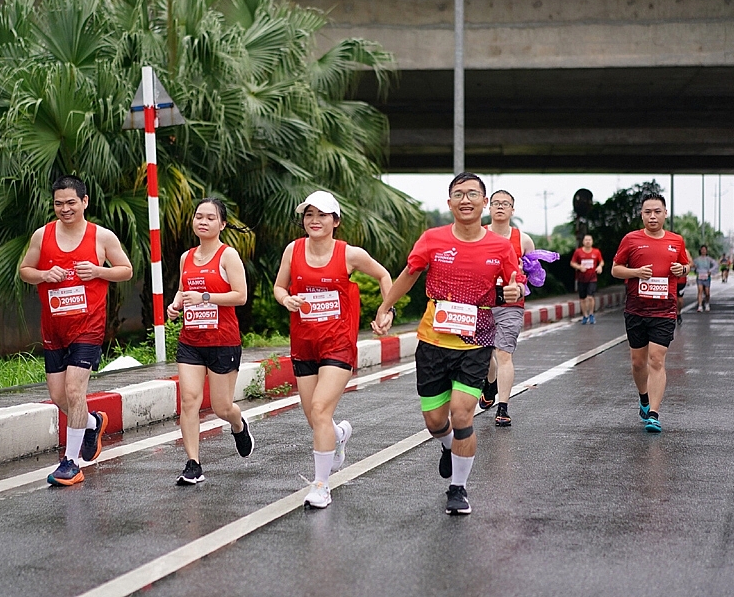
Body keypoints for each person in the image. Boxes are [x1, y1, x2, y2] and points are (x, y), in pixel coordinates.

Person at [372, 172, 521, 516]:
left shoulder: (500, 246)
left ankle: (458, 488)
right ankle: (447, 446)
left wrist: (513, 292)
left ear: (484, 203)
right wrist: (385, 306)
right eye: (459, 194)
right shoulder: (432, 239)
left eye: (473, 194)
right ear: (450, 202)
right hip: (433, 342)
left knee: (461, 413)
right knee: (435, 421)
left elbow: (514, 284)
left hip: (476, 342)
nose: (465, 200)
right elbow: (409, 274)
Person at [273, 190, 393, 509]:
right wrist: (286, 299)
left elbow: (383, 275)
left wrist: (386, 310)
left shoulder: (349, 254)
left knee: (320, 410)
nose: (314, 220)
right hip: (304, 343)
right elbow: (279, 286)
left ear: (335, 221)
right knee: (315, 417)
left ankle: (321, 485)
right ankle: (338, 435)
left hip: (338, 343)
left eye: (322, 215)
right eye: (309, 214)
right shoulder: (293, 250)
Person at [19, 175, 133, 486]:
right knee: (58, 396)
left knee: (74, 390)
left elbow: (126, 270)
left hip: (89, 326)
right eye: (59, 203)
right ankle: (93, 422)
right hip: (54, 327)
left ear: (84, 202)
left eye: (71, 202)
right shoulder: (42, 236)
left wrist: (98, 271)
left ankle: (71, 462)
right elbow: (25, 271)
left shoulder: (101, 236)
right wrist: (43, 274)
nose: (65, 209)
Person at [167, 198, 254, 486]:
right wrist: (176, 304)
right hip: (191, 341)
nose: (202, 222)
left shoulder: (228, 256)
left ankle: (238, 425)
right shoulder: (186, 257)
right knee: (189, 400)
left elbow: (240, 296)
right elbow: (183, 290)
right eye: (198, 217)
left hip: (222, 341)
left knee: (221, 407)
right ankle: (193, 463)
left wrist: (205, 297)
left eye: (210, 218)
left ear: (222, 224)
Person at [611, 193, 689, 433]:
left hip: (665, 310)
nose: (653, 216)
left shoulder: (676, 241)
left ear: (666, 213)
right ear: (642, 214)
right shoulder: (631, 239)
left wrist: (682, 268)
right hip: (636, 309)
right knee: (638, 362)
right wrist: (636, 273)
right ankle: (644, 399)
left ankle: (654, 413)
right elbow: (615, 270)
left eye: (657, 211)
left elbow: (686, 266)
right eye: (648, 212)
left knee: (657, 359)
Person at [477, 190, 534, 427]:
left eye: (506, 204)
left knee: (503, 353)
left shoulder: (524, 239)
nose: (500, 207)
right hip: (482, 303)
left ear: (513, 209)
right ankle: (490, 385)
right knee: (485, 353)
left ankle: (503, 407)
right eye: (496, 203)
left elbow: (534, 274)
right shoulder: (478, 234)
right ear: (488, 208)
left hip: (511, 305)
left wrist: (522, 283)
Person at [570, 234, 604, 325]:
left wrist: (600, 267)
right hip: (581, 278)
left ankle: (591, 314)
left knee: (590, 296)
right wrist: (579, 267)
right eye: (586, 240)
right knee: (583, 298)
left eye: (589, 240)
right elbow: (572, 263)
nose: (588, 241)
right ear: (583, 241)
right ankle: (585, 315)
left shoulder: (596, 252)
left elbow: (601, 262)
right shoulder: (578, 252)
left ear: (592, 241)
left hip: (592, 278)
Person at [692, 245, 719, 312]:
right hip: (700, 277)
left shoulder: (709, 259)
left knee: (707, 292)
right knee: (700, 291)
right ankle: (700, 306)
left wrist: (710, 271)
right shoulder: (697, 259)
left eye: (704, 249)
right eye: (702, 249)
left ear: (706, 251)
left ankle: (707, 303)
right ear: (700, 250)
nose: (703, 251)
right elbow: (692, 266)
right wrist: (695, 269)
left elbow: (716, 265)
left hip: (707, 277)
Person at [675, 248, 691, 326]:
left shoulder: (684, 251)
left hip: (681, 280)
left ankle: (678, 313)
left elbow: (690, 263)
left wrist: (682, 269)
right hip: (668, 279)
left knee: (679, 299)